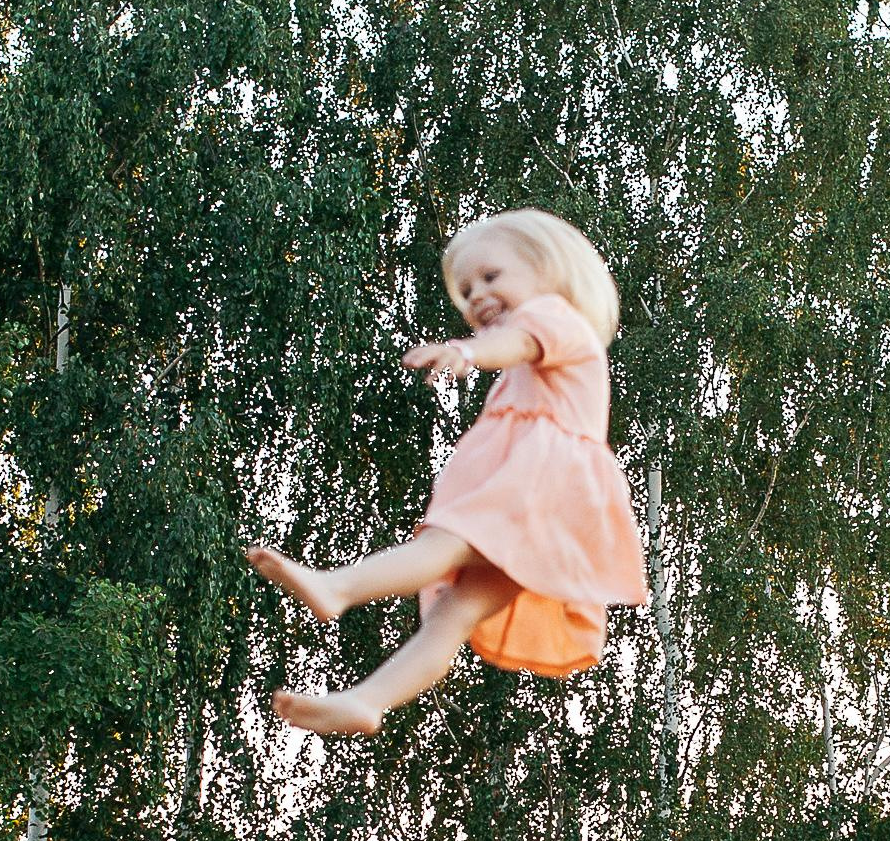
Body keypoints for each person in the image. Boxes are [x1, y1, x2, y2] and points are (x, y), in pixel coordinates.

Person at [247, 209, 649, 738]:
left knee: (447, 544)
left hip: (543, 488)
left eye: (491, 277)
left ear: (548, 270)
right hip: (547, 510)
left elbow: (515, 342)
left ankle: (339, 588)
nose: (475, 296)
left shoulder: (554, 318)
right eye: (464, 290)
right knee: (450, 619)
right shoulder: (531, 367)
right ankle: (370, 700)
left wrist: (465, 351)